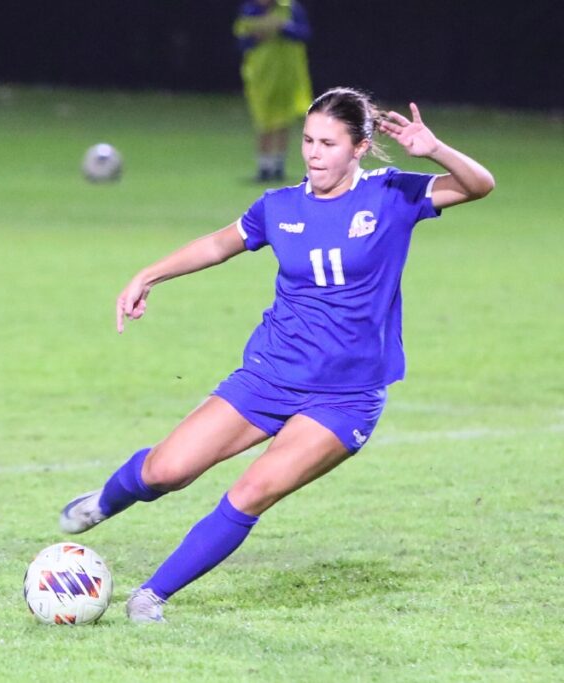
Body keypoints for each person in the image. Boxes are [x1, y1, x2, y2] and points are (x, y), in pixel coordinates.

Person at [59, 87, 495, 623]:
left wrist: (434, 150)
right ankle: (105, 500)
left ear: (359, 148)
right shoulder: (280, 206)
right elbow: (220, 243)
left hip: (345, 398)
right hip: (269, 375)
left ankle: (151, 597)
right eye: (308, 140)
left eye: (329, 143)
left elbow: (479, 186)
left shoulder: (391, 196)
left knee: (252, 490)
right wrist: (149, 274)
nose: (313, 153)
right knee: (167, 470)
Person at [233, 0, 313, 182]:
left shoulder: (289, 8)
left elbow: (304, 34)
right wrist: (257, 36)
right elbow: (241, 42)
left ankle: (278, 166)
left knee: (284, 120)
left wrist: (283, 27)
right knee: (264, 120)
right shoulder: (249, 11)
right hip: (261, 75)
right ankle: (264, 167)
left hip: (288, 74)